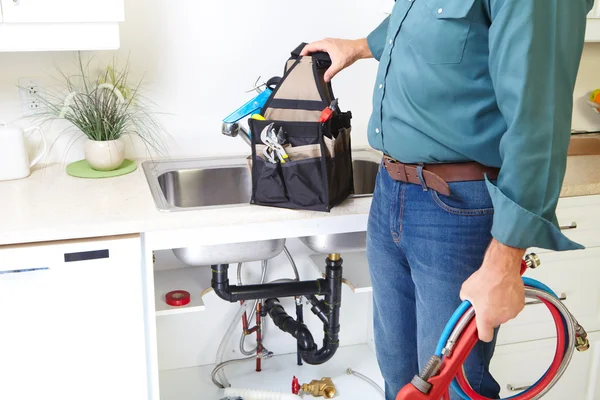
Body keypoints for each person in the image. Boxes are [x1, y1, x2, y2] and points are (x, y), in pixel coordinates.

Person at [301, 0, 594, 399]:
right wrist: (358, 46)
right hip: (392, 191)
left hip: (457, 208)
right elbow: (427, 24)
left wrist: (506, 258)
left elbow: (538, 121)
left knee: (452, 388)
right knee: (401, 377)